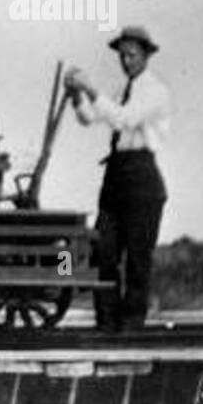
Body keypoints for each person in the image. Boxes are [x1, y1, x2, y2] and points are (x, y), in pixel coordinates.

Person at [65, 26, 171, 331]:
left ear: (147, 55)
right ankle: (107, 320)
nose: (126, 61)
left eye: (132, 55)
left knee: (137, 256)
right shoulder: (121, 91)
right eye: (122, 55)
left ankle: (132, 323)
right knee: (104, 250)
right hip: (115, 176)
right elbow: (90, 117)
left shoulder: (155, 91)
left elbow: (123, 119)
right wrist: (76, 94)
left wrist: (91, 88)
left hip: (142, 176)